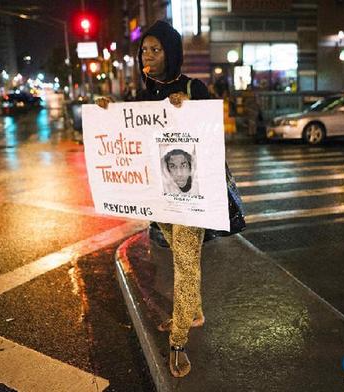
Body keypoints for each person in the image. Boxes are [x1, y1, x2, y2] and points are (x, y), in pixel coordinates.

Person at [98, 20, 209, 378]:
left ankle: (178, 342)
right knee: (180, 257)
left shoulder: (195, 87)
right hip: (158, 195)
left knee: (186, 264)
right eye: (144, 50)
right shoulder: (146, 93)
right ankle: (194, 311)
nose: (148, 54)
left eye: (155, 49)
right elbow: (132, 130)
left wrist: (187, 107)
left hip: (191, 194)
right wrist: (107, 112)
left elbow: (211, 135)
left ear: (171, 52)